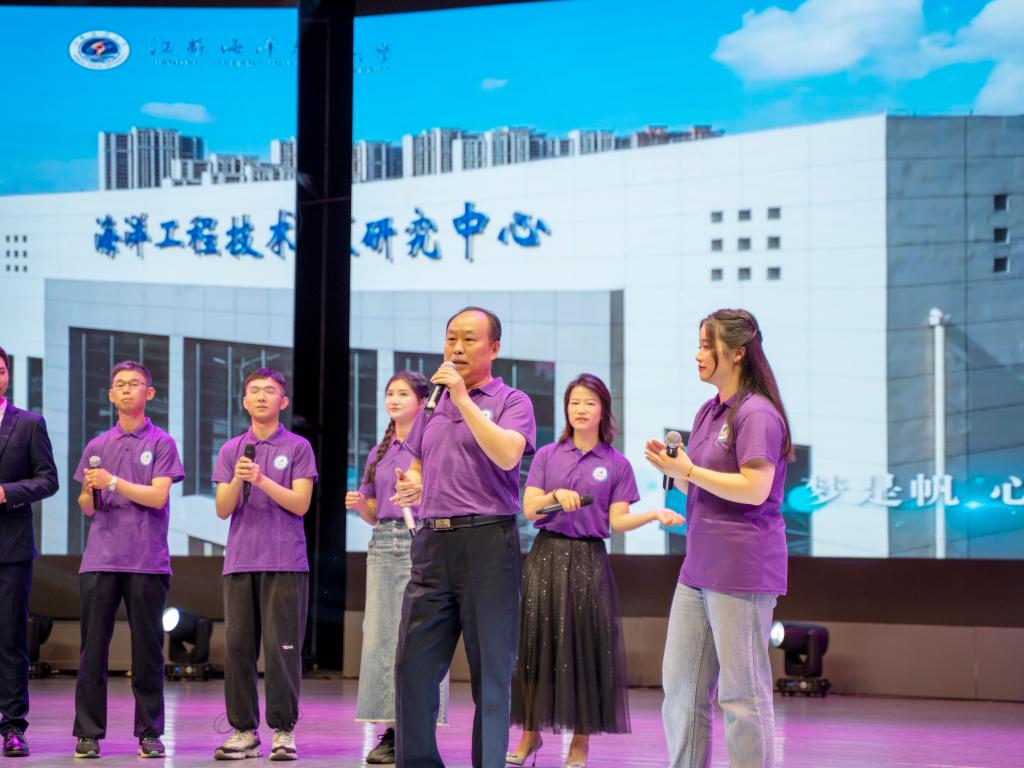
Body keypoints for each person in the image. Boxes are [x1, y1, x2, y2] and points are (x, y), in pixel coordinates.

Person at [507, 373, 683, 768]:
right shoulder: (548, 455)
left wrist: (653, 514)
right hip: (546, 557)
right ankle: (529, 735)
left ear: (603, 410)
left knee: (586, 652)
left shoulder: (616, 464)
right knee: (536, 647)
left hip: (589, 560)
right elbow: (530, 508)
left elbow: (617, 521)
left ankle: (580, 744)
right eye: (574, 402)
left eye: (589, 402)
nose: (581, 409)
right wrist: (554, 496)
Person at [645, 309, 792, 768]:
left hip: (741, 570)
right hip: (697, 569)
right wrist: (676, 470)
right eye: (698, 345)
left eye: (707, 346)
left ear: (738, 352)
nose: (698, 355)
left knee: (741, 697)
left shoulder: (757, 413)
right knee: (681, 689)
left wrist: (688, 470)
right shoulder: (709, 411)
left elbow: (755, 488)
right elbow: (700, 483)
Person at [392, 306, 536, 768]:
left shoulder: (512, 400)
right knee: (411, 668)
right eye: (451, 337)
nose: (456, 347)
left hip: (487, 543)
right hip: (432, 543)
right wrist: (413, 485)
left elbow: (508, 455)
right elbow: (418, 463)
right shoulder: (432, 404)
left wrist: (463, 398)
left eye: (469, 339)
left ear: (494, 348)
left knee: (491, 673)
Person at [72, 360, 185, 759]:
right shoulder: (97, 445)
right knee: (92, 651)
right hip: (100, 560)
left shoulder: (162, 442)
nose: (125, 390)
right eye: (119, 384)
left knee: (148, 651)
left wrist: (114, 482)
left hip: (146, 561)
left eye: (133, 384)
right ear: (110, 395)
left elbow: (158, 496)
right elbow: (87, 505)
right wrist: (91, 492)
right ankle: (88, 733)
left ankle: (150, 732)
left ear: (148, 393)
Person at [212, 368, 318, 762]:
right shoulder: (231, 450)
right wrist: (240, 480)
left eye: (269, 391)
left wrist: (261, 480)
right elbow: (223, 509)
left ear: (282, 401)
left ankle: (283, 730)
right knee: (238, 649)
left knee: (281, 650)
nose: (260, 396)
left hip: (285, 561)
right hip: (240, 562)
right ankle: (243, 731)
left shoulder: (299, 447)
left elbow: (300, 504)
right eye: (254, 391)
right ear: (244, 401)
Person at [346, 371, 449, 764]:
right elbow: (374, 512)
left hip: (421, 539)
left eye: (402, 394)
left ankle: (417, 728)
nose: (393, 399)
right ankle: (390, 729)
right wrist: (361, 505)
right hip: (383, 543)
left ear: (422, 401)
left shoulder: (432, 443)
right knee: (380, 637)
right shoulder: (380, 450)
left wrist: (417, 495)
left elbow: (444, 497)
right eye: (389, 393)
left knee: (421, 636)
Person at [0, 345, 58, 758]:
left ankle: (12, 726)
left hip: (11, 548)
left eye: (0, 369)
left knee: (10, 638)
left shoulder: (29, 424)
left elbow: (48, 479)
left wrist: (6, 492)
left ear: (6, 375)